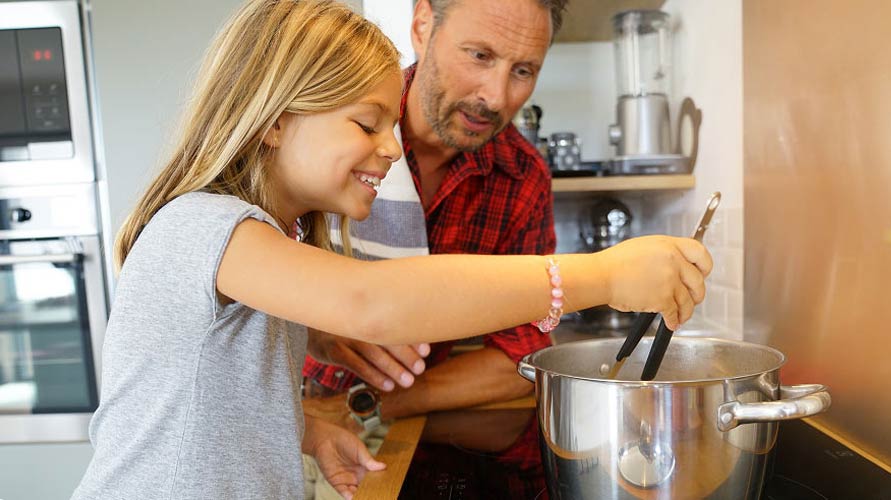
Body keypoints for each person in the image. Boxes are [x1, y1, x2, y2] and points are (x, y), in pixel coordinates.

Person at [70, 0, 712, 499]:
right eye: (365, 123)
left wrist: (300, 427)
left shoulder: (271, 236)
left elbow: (214, 394)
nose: (390, 146)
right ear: (272, 120)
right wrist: (600, 273)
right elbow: (370, 301)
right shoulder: (203, 226)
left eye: (522, 70)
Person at [301, 0, 568, 435]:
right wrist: (311, 326)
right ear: (423, 26)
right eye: (479, 55)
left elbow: (524, 354)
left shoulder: (521, 177)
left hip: (411, 425)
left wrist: (375, 404)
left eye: (523, 71)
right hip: (300, 415)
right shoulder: (328, 121)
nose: (495, 97)